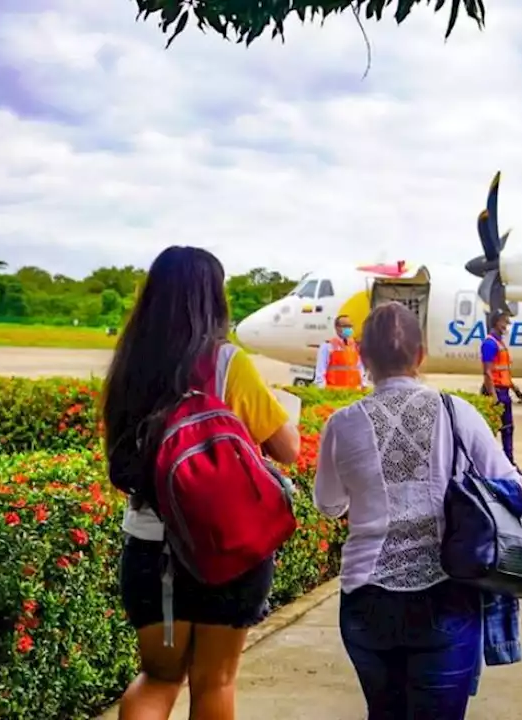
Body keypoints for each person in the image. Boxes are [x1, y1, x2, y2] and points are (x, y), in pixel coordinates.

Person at [103, 246, 301, 720]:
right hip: (226, 547)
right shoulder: (228, 363)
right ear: (214, 298)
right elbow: (287, 449)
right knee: (215, 682)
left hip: (150, 546)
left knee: (158, 678)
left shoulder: (131, 364)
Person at [314, 301, 522, 718]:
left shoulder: (342, 424)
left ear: (363, 358)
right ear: (421, 356)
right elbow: (514, 489)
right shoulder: (457, 413)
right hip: (445, 592)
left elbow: (328, 504)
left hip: (365, 599)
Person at [480, 312, 522, 478]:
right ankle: (491, 468)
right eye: (503, 322)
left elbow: (503, 372)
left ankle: (509, 465)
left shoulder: (499, 344)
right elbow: (487, 372)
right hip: (495, 392)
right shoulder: (490, 344)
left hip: (504, 391)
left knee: (508, 430)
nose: (506, 325)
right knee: (491, 432)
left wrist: (515, 389)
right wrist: (493, 396)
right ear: (495, 323)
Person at [314, 315, 367, 389]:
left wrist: (363, 385)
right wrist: (321, 389)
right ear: (336, 327)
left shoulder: (355, 346)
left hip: (353, 392)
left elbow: (360, 368)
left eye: (350, 326)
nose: (348, 329)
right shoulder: (328, 346)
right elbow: (320, 371)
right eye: (345, 326)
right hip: (334, 392)